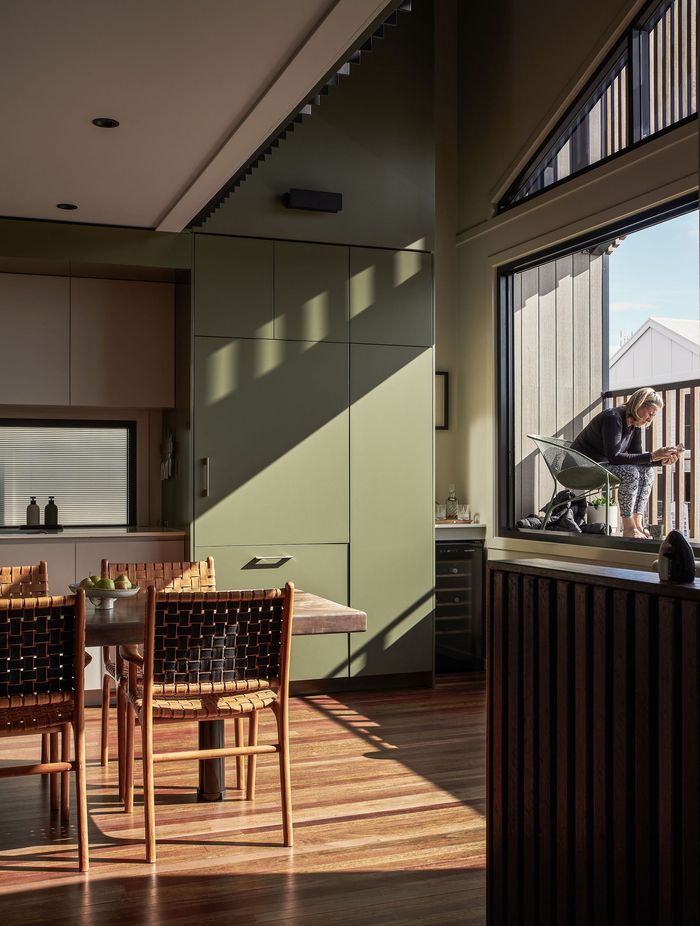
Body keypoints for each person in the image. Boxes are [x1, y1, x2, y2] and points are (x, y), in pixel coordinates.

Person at [570, 387, 681, 539]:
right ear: (639, 404)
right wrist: (652, 456)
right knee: (630, 472)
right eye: (650, 413)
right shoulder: (613, 417)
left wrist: (660, 461)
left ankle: (637, 524)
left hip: (601, 466)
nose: (650, 419)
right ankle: (628, 527)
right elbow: (614, 457)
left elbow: (637, 459)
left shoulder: (635, 426)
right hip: (582, 467)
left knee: (647, 472)